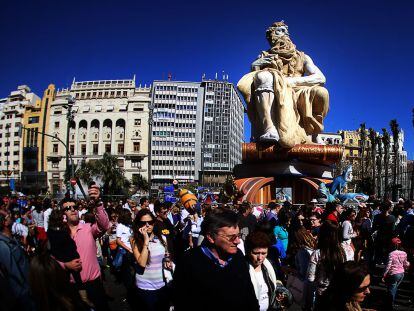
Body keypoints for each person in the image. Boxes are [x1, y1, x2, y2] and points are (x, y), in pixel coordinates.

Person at [237, 21, 329, 146]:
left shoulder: (302, 57)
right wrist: (255, 66)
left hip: (298, 92)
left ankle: (315, 134)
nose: (285, 34)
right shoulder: (264, 57)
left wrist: (289, 82)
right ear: (271, 37)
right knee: (263, 77)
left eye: (285, 31)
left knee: (322, 92)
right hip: (275, 91)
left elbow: (320, 78)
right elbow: (253, 83)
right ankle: (269, 128)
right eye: (279, 31)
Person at [173, 209, 260, 311]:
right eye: (231, 237)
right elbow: (181, 302)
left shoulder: (238, 256)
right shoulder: (188, 262)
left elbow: (249, 294)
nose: (237, 241)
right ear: (210, 237)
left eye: (238, 235)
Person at [56, 185, 111, 311]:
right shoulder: (59, 234)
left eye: (75, 207)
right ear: (62, 213)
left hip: (94, 284)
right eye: (68, 208)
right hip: (72, 286)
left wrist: (98, 203)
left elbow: (104, 225)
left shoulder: (88, 228)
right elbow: (51, 259)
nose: (73, 210)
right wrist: (66, 265)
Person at [132, 209, 171, 311]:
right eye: (143, 223)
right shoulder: (135, 240)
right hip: (146, 286)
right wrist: (146, 240)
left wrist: (167, 260)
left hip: (162, 283)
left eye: (150, 222)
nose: (148, 225)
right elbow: (142, 263)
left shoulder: (162, 238)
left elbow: (166, 254)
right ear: (138, 224)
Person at [307, 221, 347, 310]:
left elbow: (310, 278)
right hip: (339, 291)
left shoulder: (317, 254)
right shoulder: (346, 251)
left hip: (322, 293)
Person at [0, 213, 33, 310]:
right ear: (4, 223)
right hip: (24, 294)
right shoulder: (3, 246)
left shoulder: (11, 239)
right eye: (7, 216)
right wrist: (26, 292)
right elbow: (13, 273)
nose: (11, 216)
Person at [382, 237, 410, 309]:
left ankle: (389, 304)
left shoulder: (391, 254)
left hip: (393, 273)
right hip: (401, 274)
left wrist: (384, 274)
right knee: (394, 288)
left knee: (391, 289)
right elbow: (405, 264)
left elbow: (388, 265)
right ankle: (390, 303)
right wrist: (408, 266)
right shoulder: (404, 253)